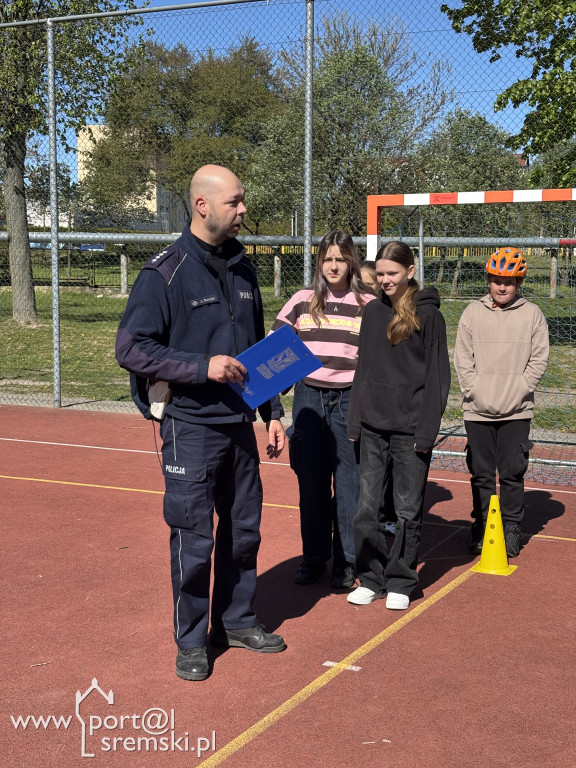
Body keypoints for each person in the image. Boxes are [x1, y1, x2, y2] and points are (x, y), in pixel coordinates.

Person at [116, 164, 287, 682]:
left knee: (243, 533)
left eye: (242, 200)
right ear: (202, 205)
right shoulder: (163, 273)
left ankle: (234, 621)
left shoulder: (241, 265)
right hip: (188, 427)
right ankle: (191, 642)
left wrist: (272, 413)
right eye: (235, 202)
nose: (243, 210)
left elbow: (258, 350)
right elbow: (131, 347)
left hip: (238, 423)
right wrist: (199, 366)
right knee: (194, 538)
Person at [347, 241, 451, 610]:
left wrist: (427, 432)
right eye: (380, 274)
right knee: (367, 509)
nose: (385, 280)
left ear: (410, 271)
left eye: (393, 273)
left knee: (407, 511)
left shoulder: (429, 317)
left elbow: (439, 378)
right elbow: (364, 370)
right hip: (372, 427)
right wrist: (356, 420)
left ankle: (401, 581)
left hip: (411, 431)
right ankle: (371, 577)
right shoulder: (372, 313)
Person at [270, 232, 375, 588]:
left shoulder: (368, 303)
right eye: (328, 258)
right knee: (312, 485)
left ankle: (346, 561)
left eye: (341, 259)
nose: (334, 265)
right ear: (319, 262)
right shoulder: (302, 301)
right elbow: (272, 354)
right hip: (309, 400)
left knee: (349, 485)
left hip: (350, 400)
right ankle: (314, 557)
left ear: (352, 263)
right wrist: (272, 411)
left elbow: (381, 359)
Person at [454, 247, 549, 557]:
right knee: (480, 473)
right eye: (496, 280)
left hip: (517, 410)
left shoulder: (532, 314)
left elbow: (539, 359)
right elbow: (462, 360)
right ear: (489, 281)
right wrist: (475, 389)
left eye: (509, 281)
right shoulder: (472, 312)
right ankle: (481, 524)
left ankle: (510, 526)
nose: (502, 286)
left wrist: (521, 388)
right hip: (478, 410)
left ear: (519, 283)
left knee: (511, 472)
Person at [359, 259, 398, 537]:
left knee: (386, 468)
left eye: (368, 285)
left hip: (382, 404)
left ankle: (389, 514)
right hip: (355, 403)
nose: (363, 290)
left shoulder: (383, 315)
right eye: (358, 284)